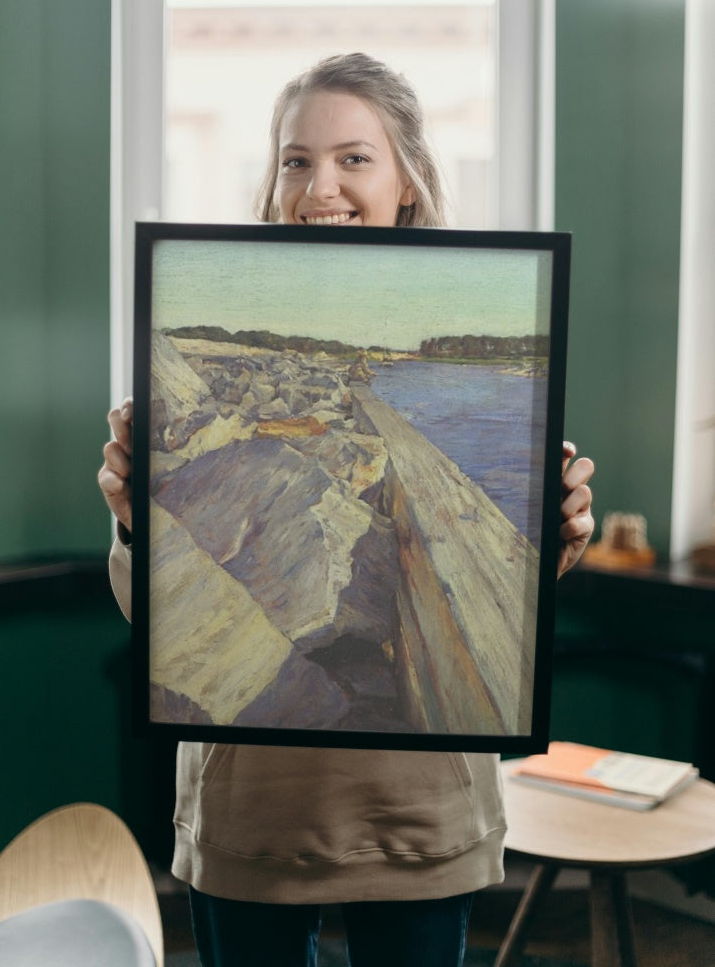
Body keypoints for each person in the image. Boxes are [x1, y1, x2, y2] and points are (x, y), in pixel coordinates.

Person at [99, 53, 595, 967]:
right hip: (251, 812)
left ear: (407, 180)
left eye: (353, 158)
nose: (318, 185)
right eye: (295, 159)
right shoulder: (190, 317)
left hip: (419, 811)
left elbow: (511, 619)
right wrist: (137, 522)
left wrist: (552, 537)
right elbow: (157, 619)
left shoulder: (498, 296)